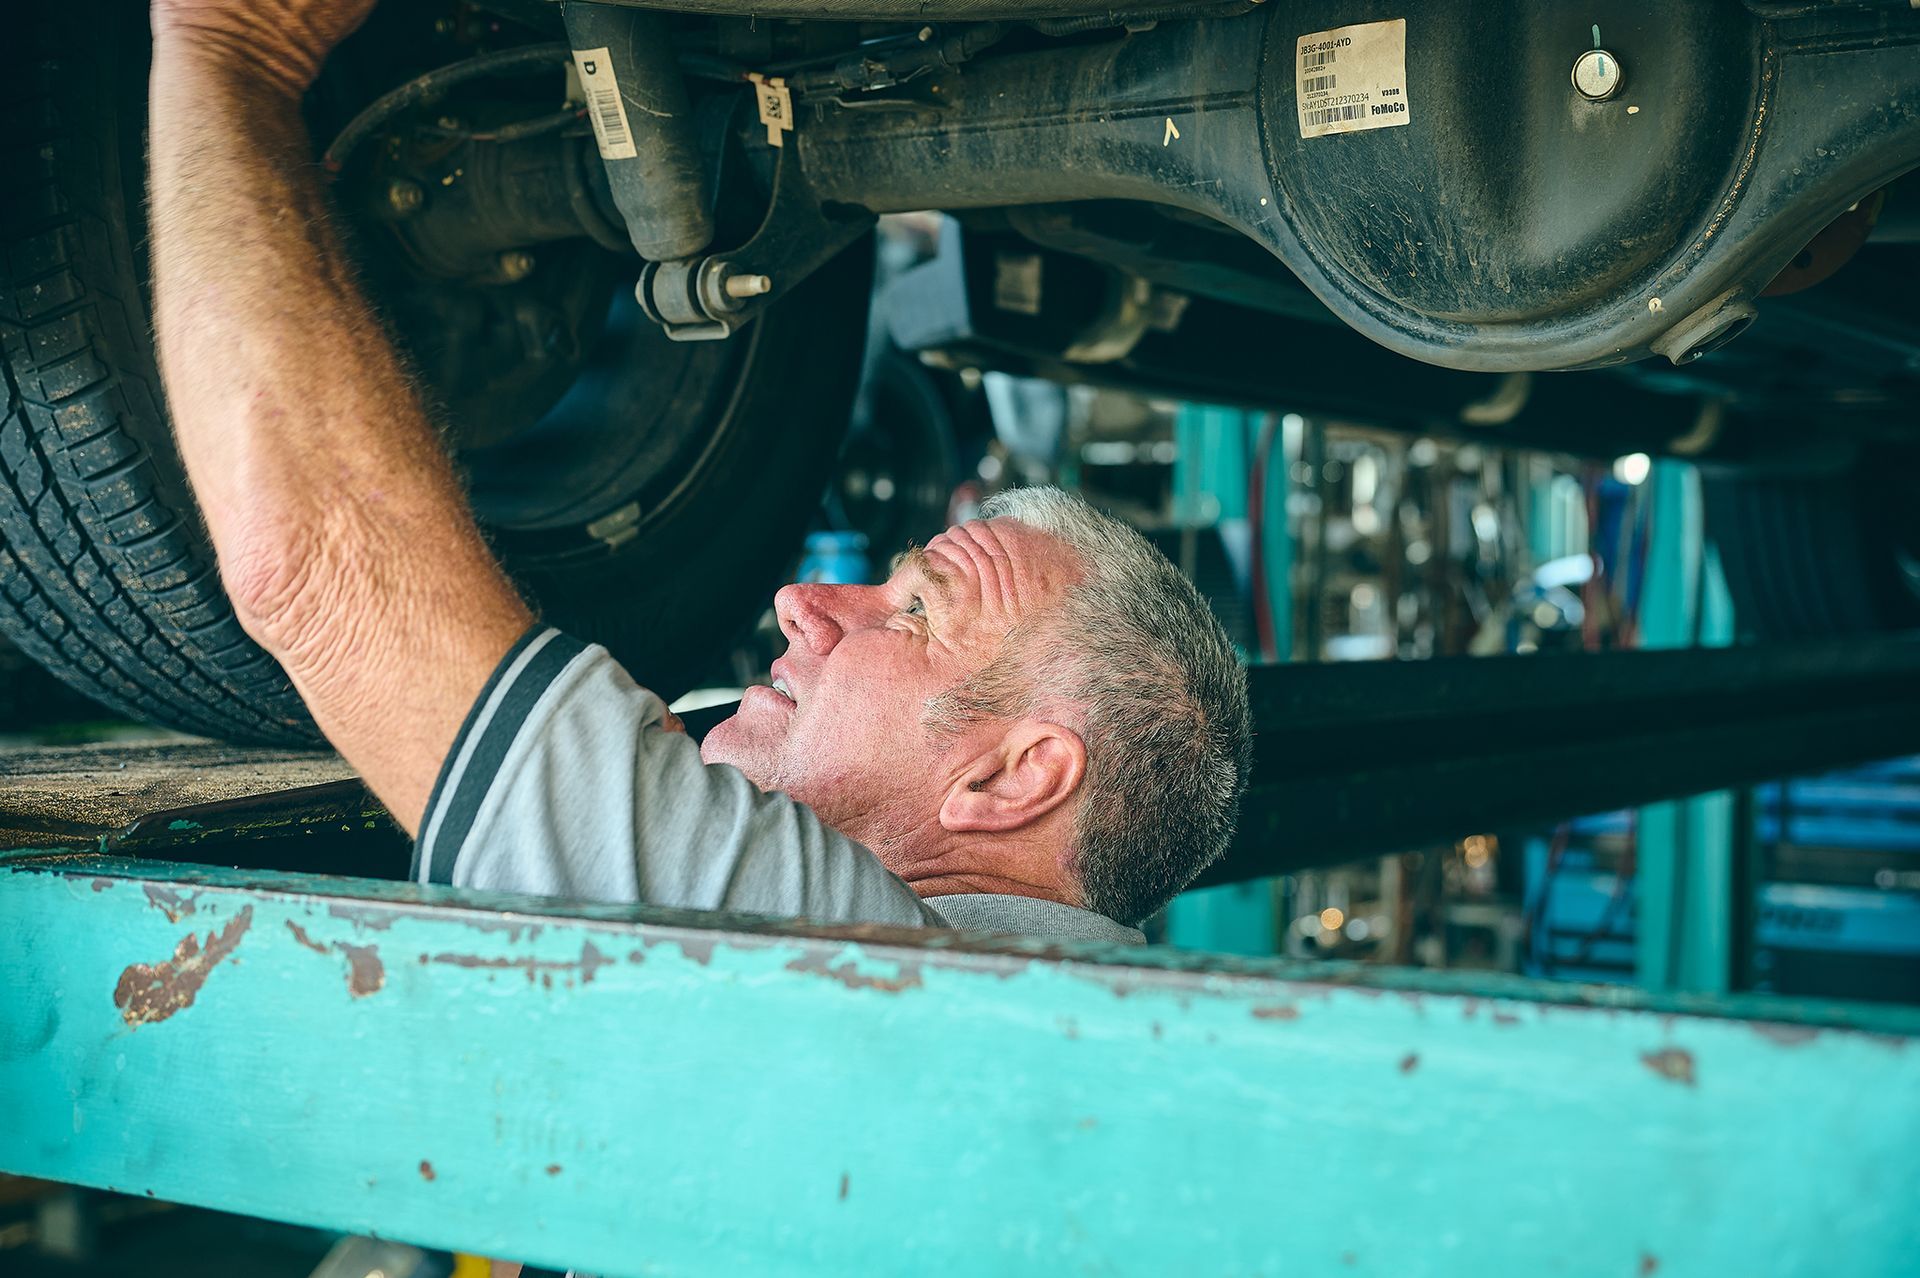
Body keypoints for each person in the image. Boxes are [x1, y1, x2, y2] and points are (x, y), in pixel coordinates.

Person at [146, 0, 1251, 946]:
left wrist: (232, 50)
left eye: (915, 608)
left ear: (1014, 779)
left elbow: (316, 570)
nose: (803, 604)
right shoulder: (970, 994)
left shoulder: (843, 956)